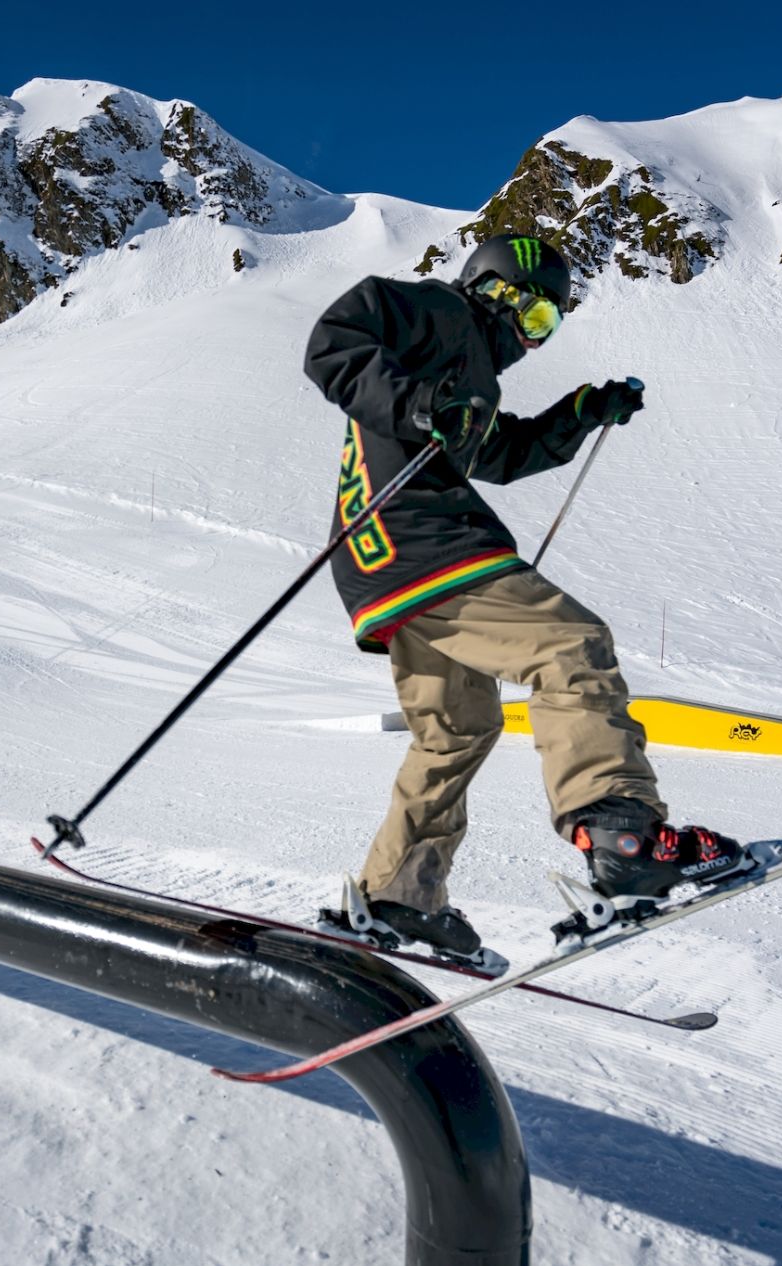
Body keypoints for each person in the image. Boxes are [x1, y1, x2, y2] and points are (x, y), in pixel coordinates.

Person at [303, 233, 755, 970]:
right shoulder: (441, 313)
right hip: (428, 547)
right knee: (570, 644)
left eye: (549, 325)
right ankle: (624, 838)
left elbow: (496, 454)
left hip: (381, 564)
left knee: (456, 727)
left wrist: (578, 412)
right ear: (495, 288)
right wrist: (418, 404)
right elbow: (335, 337)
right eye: (534, 312)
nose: (533, 335)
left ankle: (398, 896)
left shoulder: (463, 364)